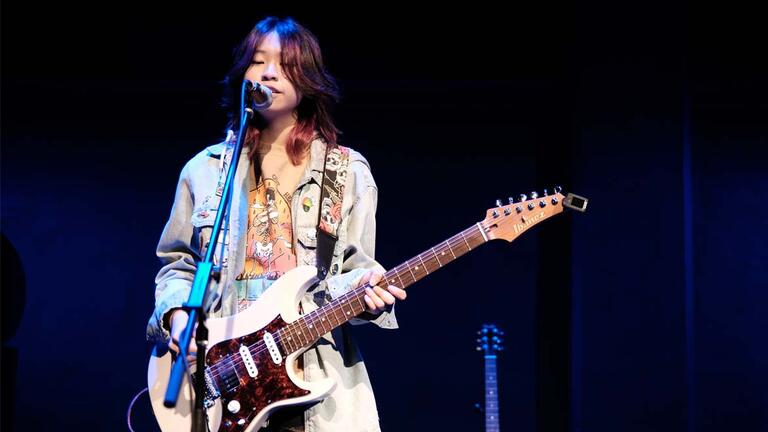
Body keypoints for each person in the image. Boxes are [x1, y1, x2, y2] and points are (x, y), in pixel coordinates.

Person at [146, 16, 406, 432]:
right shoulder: (205, 170)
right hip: (223, 377)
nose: (268, 72)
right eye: (258, 61)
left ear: (308, 80)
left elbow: (355, 272)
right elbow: (177, 264)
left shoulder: (347, 171)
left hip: (314, 384)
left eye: (285, 65)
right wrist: (178, 315)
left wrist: (365, 289)